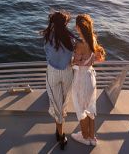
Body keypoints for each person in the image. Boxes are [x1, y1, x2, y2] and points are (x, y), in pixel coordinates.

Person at [41, 11, 76, 150]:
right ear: (65, 23)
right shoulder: (70, 38)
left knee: (56, 104)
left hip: (53, 72)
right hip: (67, 72)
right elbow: (73, 56)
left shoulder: (47, 36)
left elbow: (47, 53)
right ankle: (59, 130)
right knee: (64, 102)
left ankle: (61, 135)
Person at [71, 14, 105, 146]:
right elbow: (95, 59)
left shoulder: (79, 45)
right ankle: (92, 137)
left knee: (80, 108)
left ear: (78, 27)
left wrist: (71, 61)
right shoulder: (93, 40)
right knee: (91, 107)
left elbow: (75, 62)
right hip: (91, 77)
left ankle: (85, 137)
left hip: (81, 79)